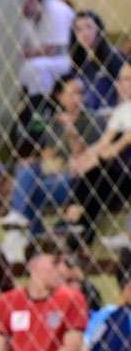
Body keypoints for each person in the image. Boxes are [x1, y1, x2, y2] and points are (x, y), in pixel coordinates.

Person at [0, 74, 105, 252]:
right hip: (54, 176)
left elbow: (83, 162)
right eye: (72, 93)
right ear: (60, 96)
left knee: (27, 191)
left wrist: (71, 132)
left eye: (81, 93)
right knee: (25, 170)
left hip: (79, 182)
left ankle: (27, 235)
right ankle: (25, 227)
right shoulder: (54, 123)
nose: (77, 98)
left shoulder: (93, 120)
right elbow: (47, 156)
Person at [69, 62, 131, 244]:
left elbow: (122, 143)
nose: (121, 84)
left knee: (95, 168)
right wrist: (81, 160)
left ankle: (127, 238)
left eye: (127, 80)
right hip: (121, 172)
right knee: (92, 174)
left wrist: (94, 159)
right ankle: (79, 226)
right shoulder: (122, 110)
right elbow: (103, 143)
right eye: (120, 79)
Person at [19, 0, 74, 97]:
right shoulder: (27, 17)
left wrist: (23, 53)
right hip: (43, 59)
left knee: (37, 67)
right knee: (23, 68)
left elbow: (50, 50)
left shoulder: (55, 9)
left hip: (68, 60)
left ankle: (41, 104)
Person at [69, 10, 126, 112]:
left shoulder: (113, 56)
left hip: (113, 111)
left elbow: (125, 89)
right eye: (78, 29)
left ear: (98, 28)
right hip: (89, 114)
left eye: (88, 27)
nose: (84, 33)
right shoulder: (78, 62)